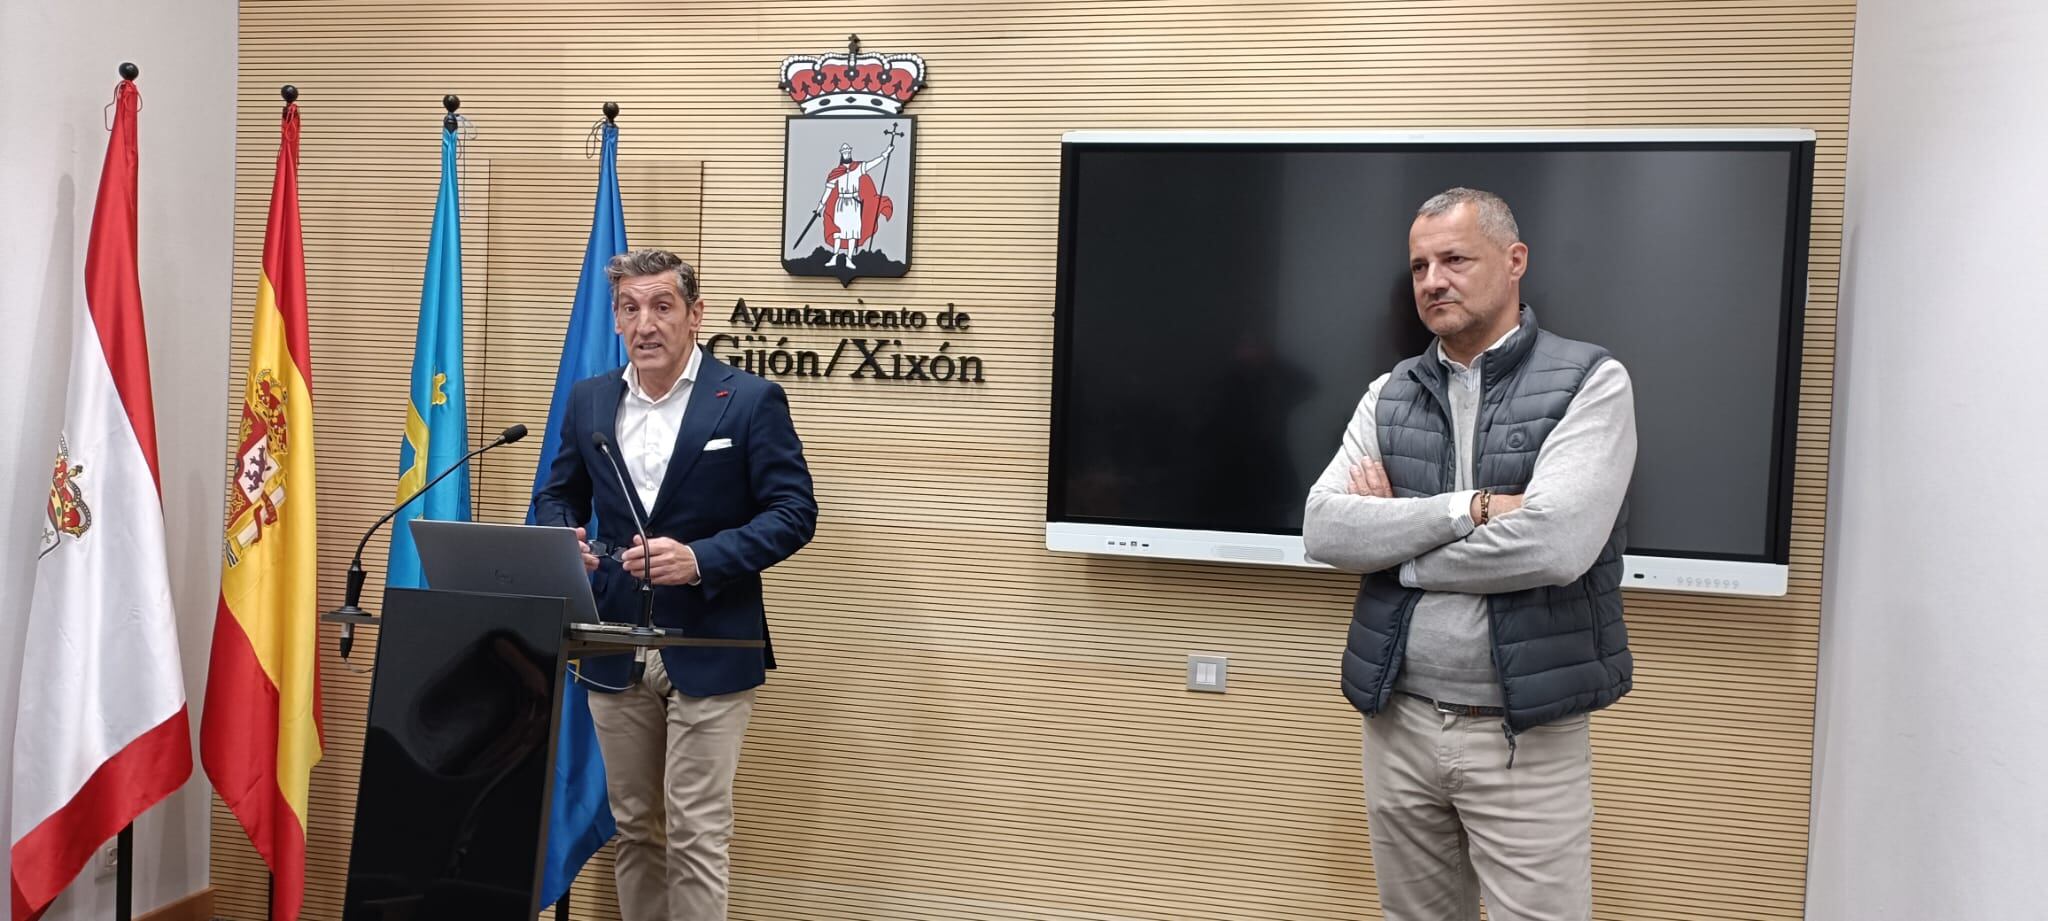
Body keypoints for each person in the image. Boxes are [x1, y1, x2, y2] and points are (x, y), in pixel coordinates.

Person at [1302, 188, 1637, 921]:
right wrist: (1471, 508)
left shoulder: (1591, 382)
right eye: (1420, 265)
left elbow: (1555, 543)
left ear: (1514, 261)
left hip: (1525, 733)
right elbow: (1325, 527)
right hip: (1399, 721)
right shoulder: (1389, 393)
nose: (1432, 281)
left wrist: (1398, 546)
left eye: (1454, 258)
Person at [534, 248, 817, 921]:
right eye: (630, 308)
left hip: (712, 639)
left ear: (696, 315)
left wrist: (702, 557)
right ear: (615, 320)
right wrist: (565, 538)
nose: (646, 323)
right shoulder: (591, 400)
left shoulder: (748, 400)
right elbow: (556, 496)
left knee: (694, 832)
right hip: (611, 644)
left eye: (662, 306)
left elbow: (794, 512)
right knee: (636, 827)